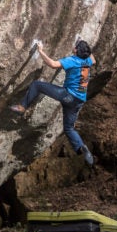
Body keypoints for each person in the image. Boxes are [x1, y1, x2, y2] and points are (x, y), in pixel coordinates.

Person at [10, 38, 95, 166]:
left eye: (75, 46)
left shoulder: (73, 60)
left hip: (68, 96)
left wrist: (40, 51)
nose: (74, 46)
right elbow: (93, 59)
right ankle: (81, 147)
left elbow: (53, 64)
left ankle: (22, 107)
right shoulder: (87, 61)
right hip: (78, 101)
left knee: (37, 85)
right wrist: (86, 47)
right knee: (69, 128)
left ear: (77, 50)